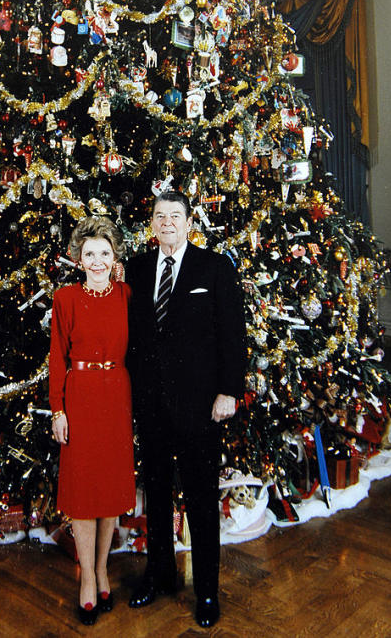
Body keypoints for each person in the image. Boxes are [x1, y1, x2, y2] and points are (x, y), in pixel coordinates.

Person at [126, 190, 247, 629]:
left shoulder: (213, 267)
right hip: (152, 406)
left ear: (189, 221)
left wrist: (228, 391)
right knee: (155, 495)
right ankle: (158, 575)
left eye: (175, 215)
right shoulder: (137, 270)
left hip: (200, 408)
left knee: (200, 500)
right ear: (152, 223)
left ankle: (208, 593)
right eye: (160, 215)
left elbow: (233, 335)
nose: (167, 222)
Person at [49, 216, 135, 626]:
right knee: (84, 488)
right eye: (90, 253)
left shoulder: (127, 295)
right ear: (78, 257)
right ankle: (86, 578)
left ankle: (102, 568)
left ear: (114, 256)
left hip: (117, 394)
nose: (97, 260)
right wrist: (58, 410)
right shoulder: (64, 298)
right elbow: (56, 359)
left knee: (111, 487)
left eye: (104, 252)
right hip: (80, 395)